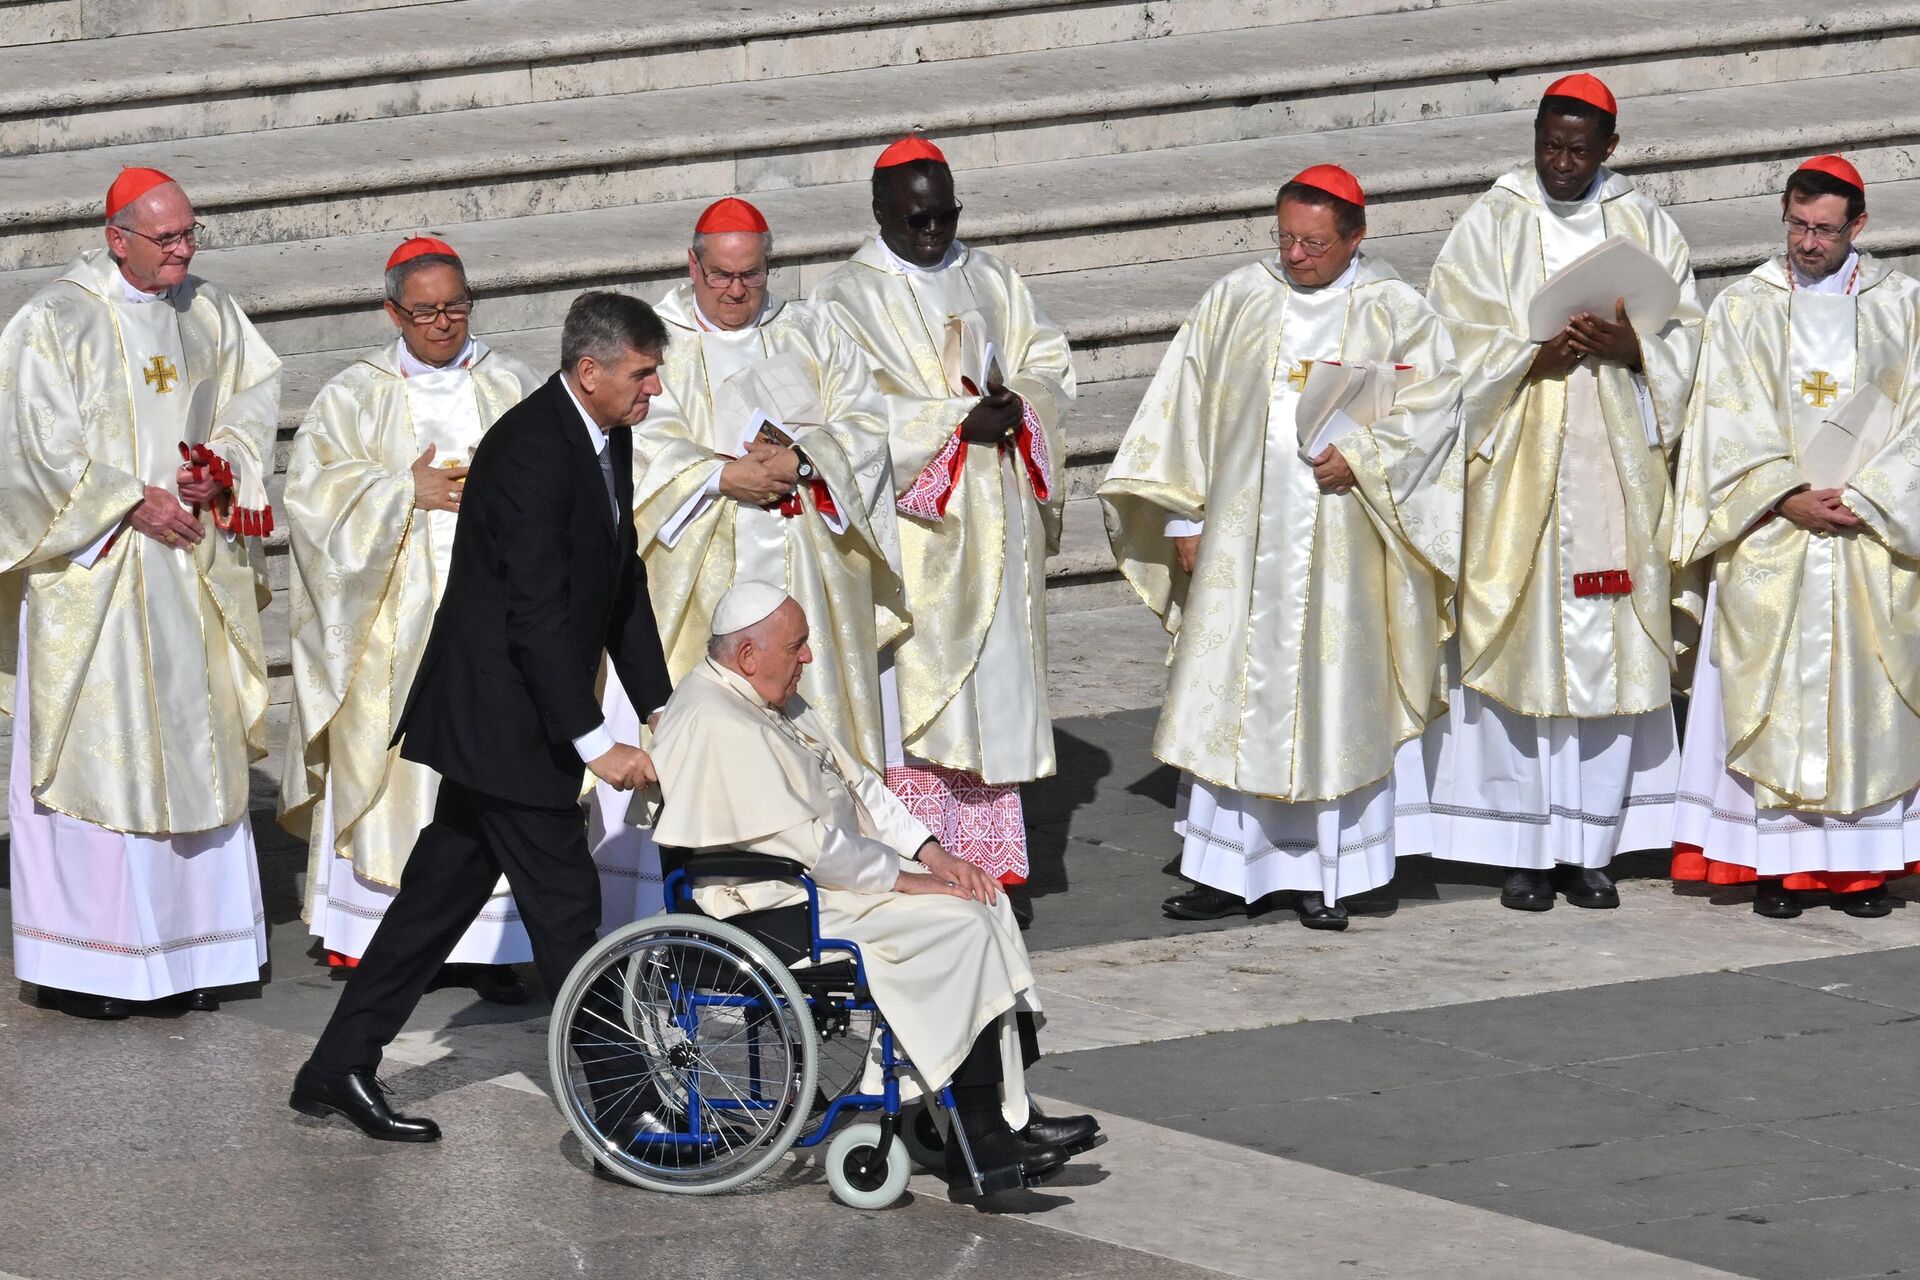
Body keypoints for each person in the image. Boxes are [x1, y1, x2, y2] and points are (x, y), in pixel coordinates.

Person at [289, 291, 674, 1142]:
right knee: (569, 912)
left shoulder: (606, 433)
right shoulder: (534, 451)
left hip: (512, 712)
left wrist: (661, 704)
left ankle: (334, 1068)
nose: (654, 390)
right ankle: (621, 1106)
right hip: (502, 719)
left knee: (436, 900)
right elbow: (535, 614)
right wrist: (594, 742)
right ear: (590, 370)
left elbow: (620, 582)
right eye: (643, 375)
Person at [1101, 166, 1462, 929]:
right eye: (1286, 238)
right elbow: (1182, 409)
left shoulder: (1396, 311)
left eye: (1314, 243)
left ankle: (1330, 876)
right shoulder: (1239, 298)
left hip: (1345, 551)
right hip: (1240, 548)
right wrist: (1182, 521)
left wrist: (1363, 456)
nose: (1296, 256)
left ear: (1357, 237)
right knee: (1230, 699)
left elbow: (1437, 410)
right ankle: (1221, 869)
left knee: (1333, 703)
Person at [648, 583, 1099, 1190]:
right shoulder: (716, 718)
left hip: (826, 885)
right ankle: (982, 1143)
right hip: (767, 907)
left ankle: (1008, 1114)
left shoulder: (770, 696)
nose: (808, 659)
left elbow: (861, 788)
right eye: (797, 646)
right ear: (748, 655)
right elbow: (808, 846)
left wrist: (933, 854)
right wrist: (905, 881)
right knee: (957, 926)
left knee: (981, 902)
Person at [1409, 74, 1704, 910]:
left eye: (1579, 150)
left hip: (1616, 477)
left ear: (1611, 149)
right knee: (1523, 662)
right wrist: (1527, 359)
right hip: (1519, 483)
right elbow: (1444, 347)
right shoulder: (1492, 221)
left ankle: (1595, 850)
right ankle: (1526, 850)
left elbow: (1694, 340)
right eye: (1549, 144)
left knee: (1610, 661)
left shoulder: (1644, 223)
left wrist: (1634, 348)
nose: (1561, 163)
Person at [0, 167, 279, 1020]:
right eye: (168, 238)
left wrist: (218, 467)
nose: (185, 251)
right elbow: (28, 449)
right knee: (101, 757)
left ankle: (199, 953)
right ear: (116, 237)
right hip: (100, 576)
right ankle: (94, 968)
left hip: (188, 566)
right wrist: (130, 499)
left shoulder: (210, 310)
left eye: (192, 234)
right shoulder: (55, 321)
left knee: (195, 745)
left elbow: (252, 398)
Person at [588, 198, 905, 926]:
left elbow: (864, 422)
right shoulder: (653, 341)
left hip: (807, 577)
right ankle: (676, 914)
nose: (736, 291)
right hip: (700, 582)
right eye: (721, 275)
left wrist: (805, 457)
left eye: (752, 276)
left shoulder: (812, 330)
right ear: (692, 265)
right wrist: (718, 476)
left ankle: (829, 902)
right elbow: (631, 442)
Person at [279, 235, 544, 1004]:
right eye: (424, 311)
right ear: (391, 311)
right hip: (389, 624)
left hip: (491, 619)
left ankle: (489, 944)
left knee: (482, 772)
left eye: (455, 307)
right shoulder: (351, 395)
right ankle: (375, 936)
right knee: (397, 770)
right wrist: (406, 492)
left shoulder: (513, 383)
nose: (442, 324)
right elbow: (313, 504)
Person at [809, 136, 1073, 890]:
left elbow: (1050, 365)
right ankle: (915, 868)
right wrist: (955, 426)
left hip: (999, 517)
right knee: (913, 705)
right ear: (879, 212)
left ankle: (991, 869)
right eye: (916, 219)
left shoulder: (992, 277)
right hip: (917, 539)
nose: (933, 232)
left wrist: (1018, 405)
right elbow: (845, 417)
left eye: (944, 216)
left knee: (993, 696)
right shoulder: (842, 299)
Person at [1670, 155, 1920, 918]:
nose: (1807, 243)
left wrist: (1872, 496)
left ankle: (1860, 871)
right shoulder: (1745, 305)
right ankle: (1778, 867)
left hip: (1867, 538)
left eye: (1824, 229)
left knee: (1861, 704)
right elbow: (1722, 419)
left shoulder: (1901, 305)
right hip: (1771, 535)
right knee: (1771, 699)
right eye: (1797, 226)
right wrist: (1783, 496)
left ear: (1860, 227)